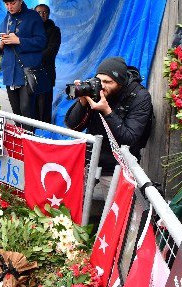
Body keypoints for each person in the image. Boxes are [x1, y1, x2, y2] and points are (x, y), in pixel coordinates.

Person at [64, 56, 153, 198]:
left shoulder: (140, 97)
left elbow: (129, 138)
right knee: (70, 201)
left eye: (108, 82)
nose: (102, 85)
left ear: (121, 82)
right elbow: (72, 125)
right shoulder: (96, 89)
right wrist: (82, 102)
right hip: (91, 157)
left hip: (118, 165)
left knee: (115, 214)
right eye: (99, 80)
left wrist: (107, 111)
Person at [0, 0, 47, 120]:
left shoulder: (33, 16)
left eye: (13, 3)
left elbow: (42, 42)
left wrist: (19, 40)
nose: (9, 7)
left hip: (27, 70)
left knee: (27, 110)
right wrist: (1, 45)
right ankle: (22, 140)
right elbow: (2, 48)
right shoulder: (5, 20)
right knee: (16, 112)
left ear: (21, 0)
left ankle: (29, 139)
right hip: (9, 71)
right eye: (7, 4)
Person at [34, 4, 61, 123]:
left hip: (46, 72)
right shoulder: (31, 30)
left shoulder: (54, 30)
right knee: (32, 103)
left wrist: (34, 57)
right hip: (31, 72)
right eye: (39, 12)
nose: (42, 15)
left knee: (44, 103)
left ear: (48, 14)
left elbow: (52, 50)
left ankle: (45, 132)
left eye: (44, 12)